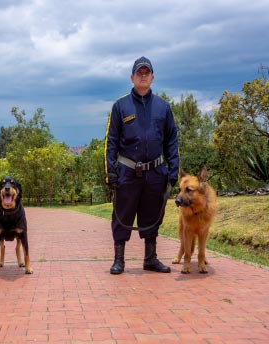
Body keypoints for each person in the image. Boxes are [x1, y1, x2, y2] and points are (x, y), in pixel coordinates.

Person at [104, 56, 179, 274]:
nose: (143, 76)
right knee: (122, 216)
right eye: (139, 73)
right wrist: (111, 173)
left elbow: (172, 141)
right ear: (132, 77)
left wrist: (173, 172)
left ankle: (151, 258)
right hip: (127, 172)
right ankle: (119, 260)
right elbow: (111, 142)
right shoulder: (120, 106)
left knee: (152, 215)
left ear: (153, 77)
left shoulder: (163, 107)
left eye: (147, 73)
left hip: (155, 172)